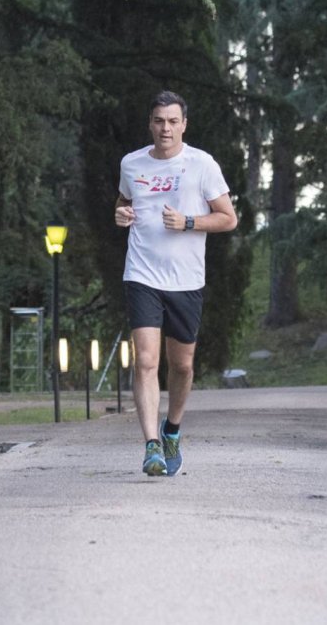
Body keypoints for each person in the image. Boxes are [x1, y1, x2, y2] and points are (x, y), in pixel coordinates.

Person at [113, 90, 238, 476]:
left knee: (181, 366)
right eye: (158, 121)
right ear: (150, 123)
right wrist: (120, 214)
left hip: (185, 279)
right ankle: (151, 446)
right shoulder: (131, 164)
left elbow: (228, 218)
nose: (165, 128)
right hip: (142, 274)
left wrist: (188, 222)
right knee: (146, 361)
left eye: (172, 121)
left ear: (184, 124)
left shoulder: (202, 164)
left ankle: (172, 430)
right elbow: (122, 202)